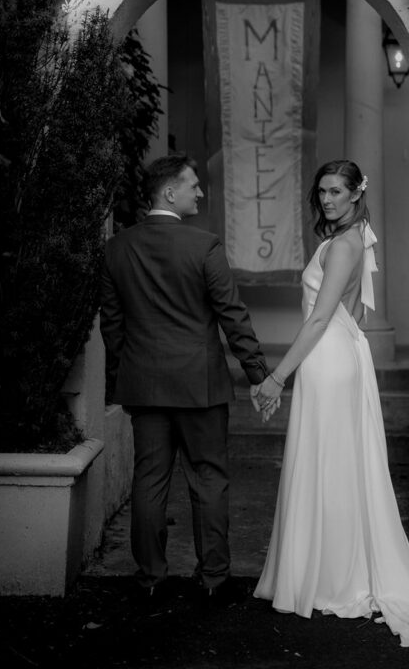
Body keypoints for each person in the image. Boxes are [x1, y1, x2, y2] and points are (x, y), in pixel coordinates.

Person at [253, 159, 409, 647]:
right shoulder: (356, 239)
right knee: (334, 464)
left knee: (329, 466)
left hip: (328, 358)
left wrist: (276, 377)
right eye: (321, 192)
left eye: (336, 191)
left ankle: (331, 578)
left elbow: (318, 321)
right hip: (339, 355)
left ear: (357, 193)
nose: (327, 199)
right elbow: (353, 311)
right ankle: (327, 572)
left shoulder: (345, 244)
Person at [100, 152, 270, 607]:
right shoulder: (204, 246)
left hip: (146, 384)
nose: (200, 191)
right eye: (193, 184)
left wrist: (128, 370)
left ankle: (150, 576)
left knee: (149, 479)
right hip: (200, 385)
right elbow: (231, 314)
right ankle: (214, 578)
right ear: (169, 192)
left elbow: (112, 327)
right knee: (209, 478)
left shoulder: (118, 248)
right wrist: (258, 373)